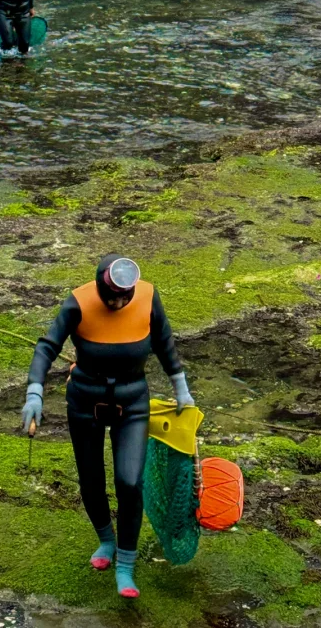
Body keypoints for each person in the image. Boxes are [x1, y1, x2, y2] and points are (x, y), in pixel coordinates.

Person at [21, 255, 194, 599]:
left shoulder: (147, 296)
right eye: (111, 297)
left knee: (129, 481)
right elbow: (47, 346)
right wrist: (34, 392)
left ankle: (126, 566)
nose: (117, 303)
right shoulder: (79, 301)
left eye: (123, 298)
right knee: (91, 480)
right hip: (85, 400)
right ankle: (106, 540)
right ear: (100, 287)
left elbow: (163, 341)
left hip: (132, 403)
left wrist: (181, 388)